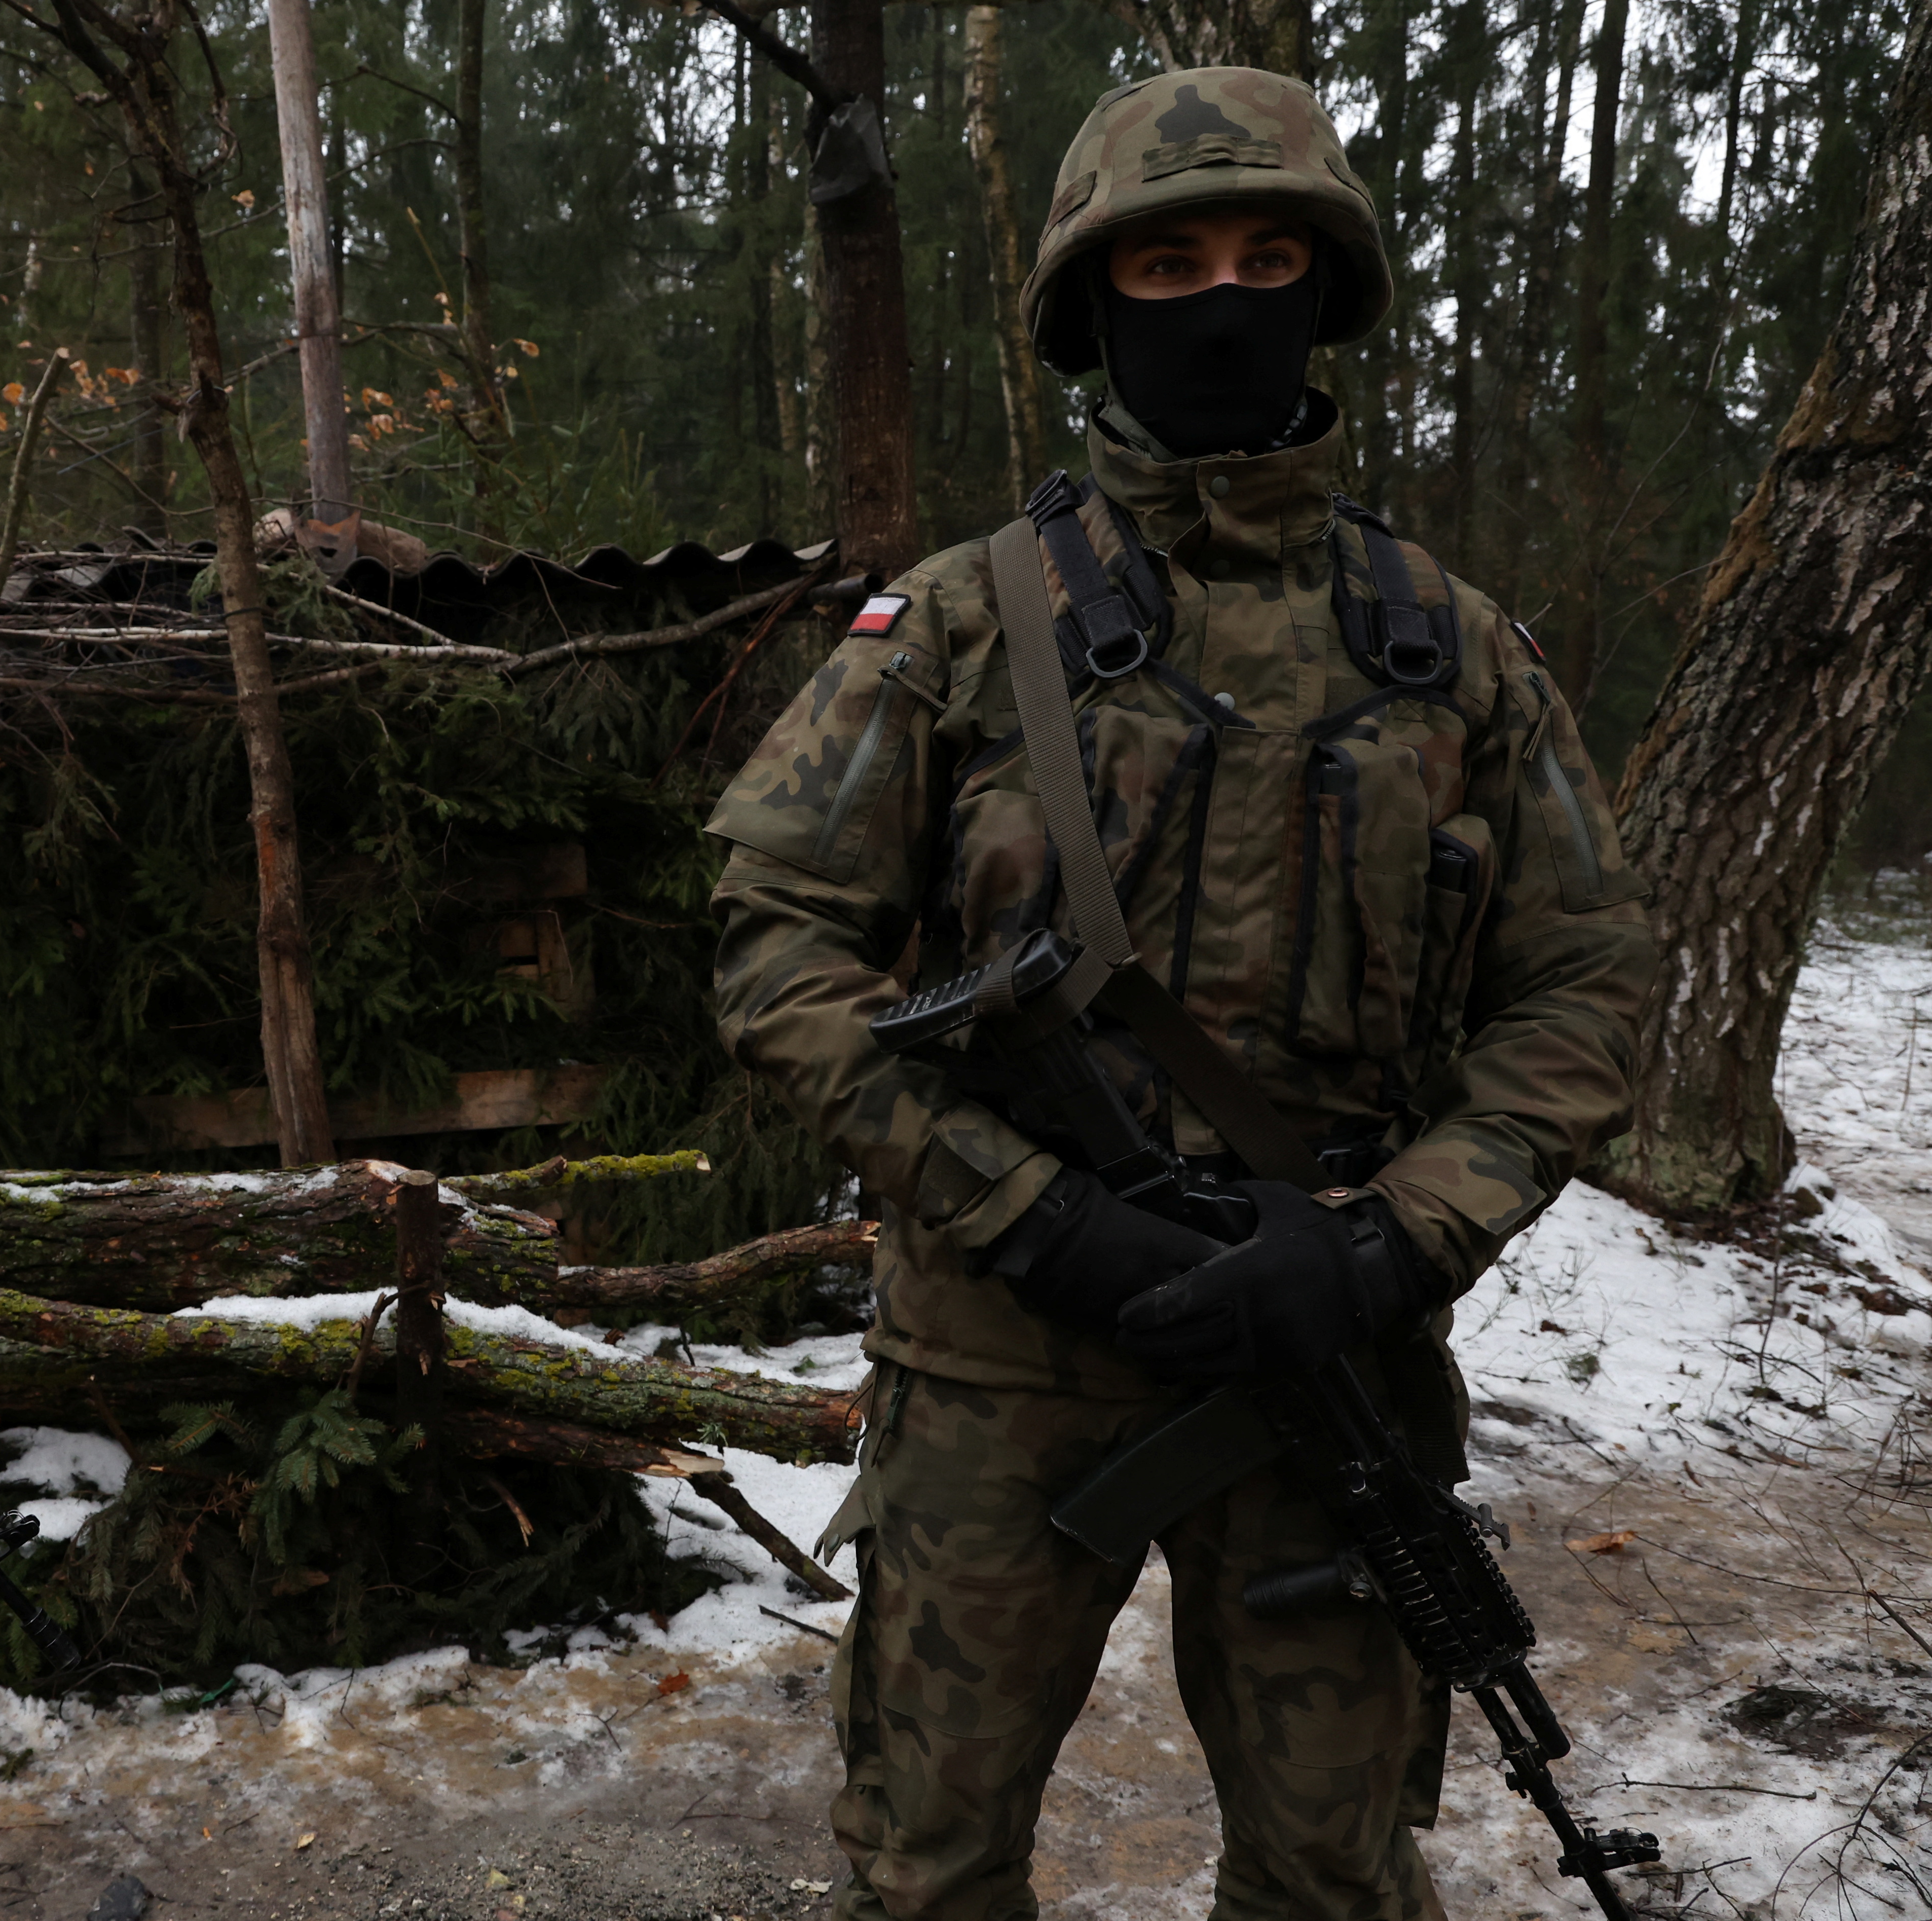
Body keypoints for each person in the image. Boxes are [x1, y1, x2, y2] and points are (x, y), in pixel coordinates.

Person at [707, 67, 1652, 1920]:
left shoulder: (1451, 647)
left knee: (1336, 1873)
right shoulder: (964, 624)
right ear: (1089, 307)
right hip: (1002, 1360)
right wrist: (1031, 1217)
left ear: (1328, 289)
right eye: (1168, 268)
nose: (1222, 300)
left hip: (1326, 1357)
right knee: (929, 1858)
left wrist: (1395, 1240)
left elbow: (1587, 983)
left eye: (1267, 255)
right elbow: (775, 945)